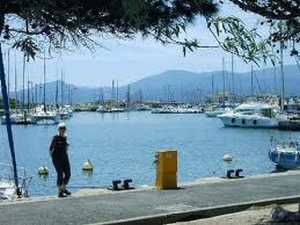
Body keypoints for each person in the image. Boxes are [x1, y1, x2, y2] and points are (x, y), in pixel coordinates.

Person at [49, 122, 71, 198]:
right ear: (58, 129)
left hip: (65, 158)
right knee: (60, 174)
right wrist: (53, 157)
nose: (63, 129)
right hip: (57, 159)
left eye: (64, 128)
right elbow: (50, 150)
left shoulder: (65, 137)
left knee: (68, 174)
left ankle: (63, 188)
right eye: (61, 128)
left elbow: (66, 148)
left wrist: (66, 147)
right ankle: (60, 192)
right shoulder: (55, 138)